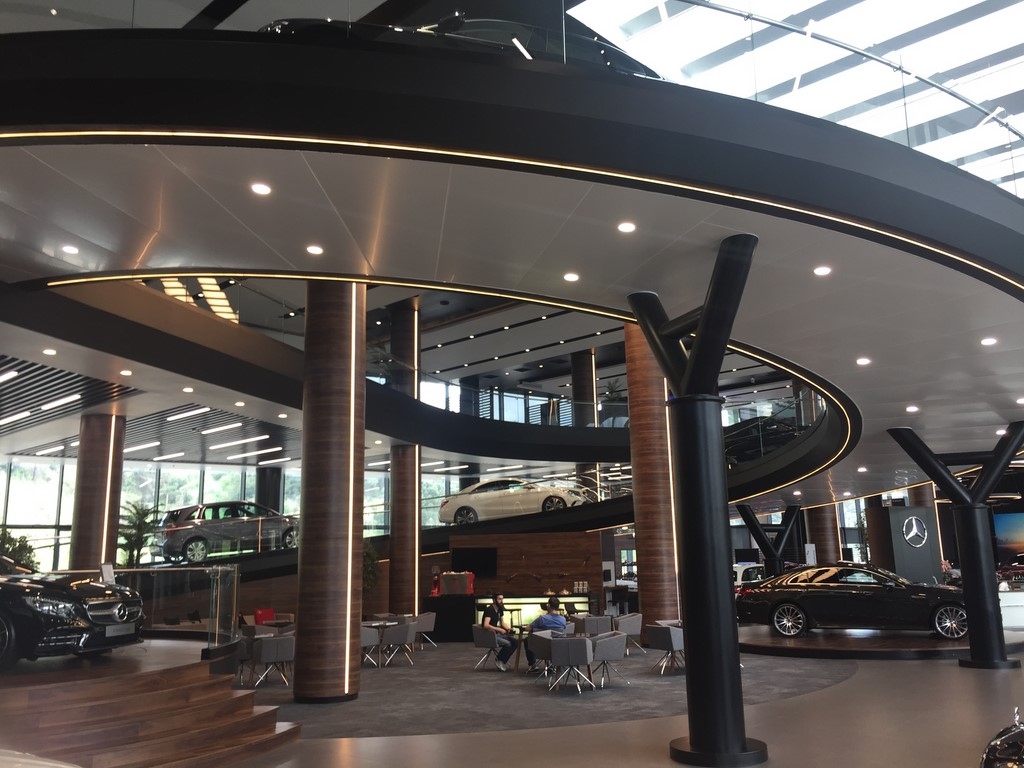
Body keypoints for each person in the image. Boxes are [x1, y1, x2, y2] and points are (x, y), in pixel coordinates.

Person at [524, 596, 567, 672]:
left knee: (527, 640)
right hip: (558, 647)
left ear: (548, 605)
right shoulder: (563, 619)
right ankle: (554, 664)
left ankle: (533, 664)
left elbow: (527, 628)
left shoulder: (542, 618)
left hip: (542, 646)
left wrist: (536, 629)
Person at [481, 592, 518, 672]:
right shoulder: (489, 610)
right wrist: (499, 629)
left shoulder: (500, 609)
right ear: (494, 600)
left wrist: (508, 628)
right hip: (488, 635)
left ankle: (501, 660)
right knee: (508, 644)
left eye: (502, 599)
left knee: (515, 642)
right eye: (499, 599)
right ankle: (500, 660)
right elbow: (486, 625)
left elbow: (502, 623)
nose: (501, 601)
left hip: (496, 634)